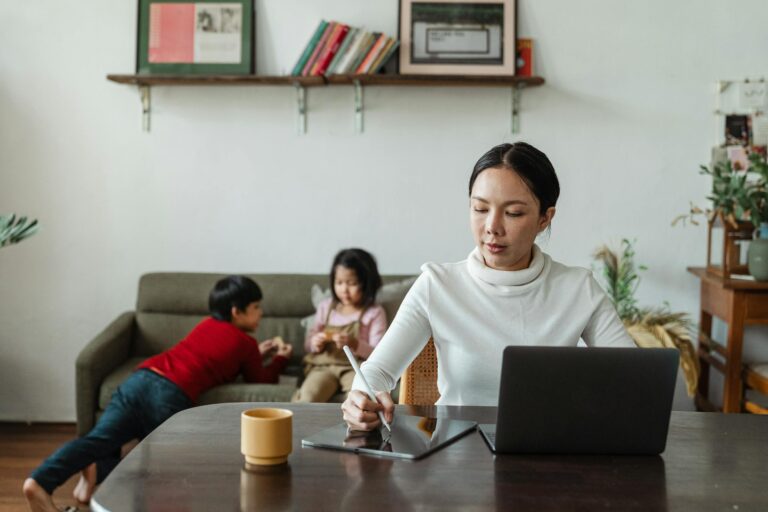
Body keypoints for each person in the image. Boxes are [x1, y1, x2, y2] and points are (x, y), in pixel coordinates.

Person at [341, 142, 635, 431]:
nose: (492, 226)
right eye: (480, 208)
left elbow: (634, 376)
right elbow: (377, 371)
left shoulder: (577, 288)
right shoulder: (437, 285)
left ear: (545, 218)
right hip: (456, 456)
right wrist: (362, 398)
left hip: (547, 452)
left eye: (514, 213)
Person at [23, 275, 293, 512]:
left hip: (141, 378)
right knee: (167, 466)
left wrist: (257, 354)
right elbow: (260, 377)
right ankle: (107, 480)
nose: (261, 314)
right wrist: (280, 358)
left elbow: (212, 356)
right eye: (256, 307)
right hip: (169, 394)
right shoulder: (245, 342)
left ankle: (42, 481)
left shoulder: (206, 325)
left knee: (100, 439)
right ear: (237, 312)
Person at [292, 248, 388, 403]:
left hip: (355, 368)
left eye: (352, 283)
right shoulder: (326, 307)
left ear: (367, 283)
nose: (344, 289)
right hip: (323, 366)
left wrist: (354, 343)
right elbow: (308, 345)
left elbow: (378, 354)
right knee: (308, 398)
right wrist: (315, 343)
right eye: (339, 283)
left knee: (360, 401)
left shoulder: (374, 312)